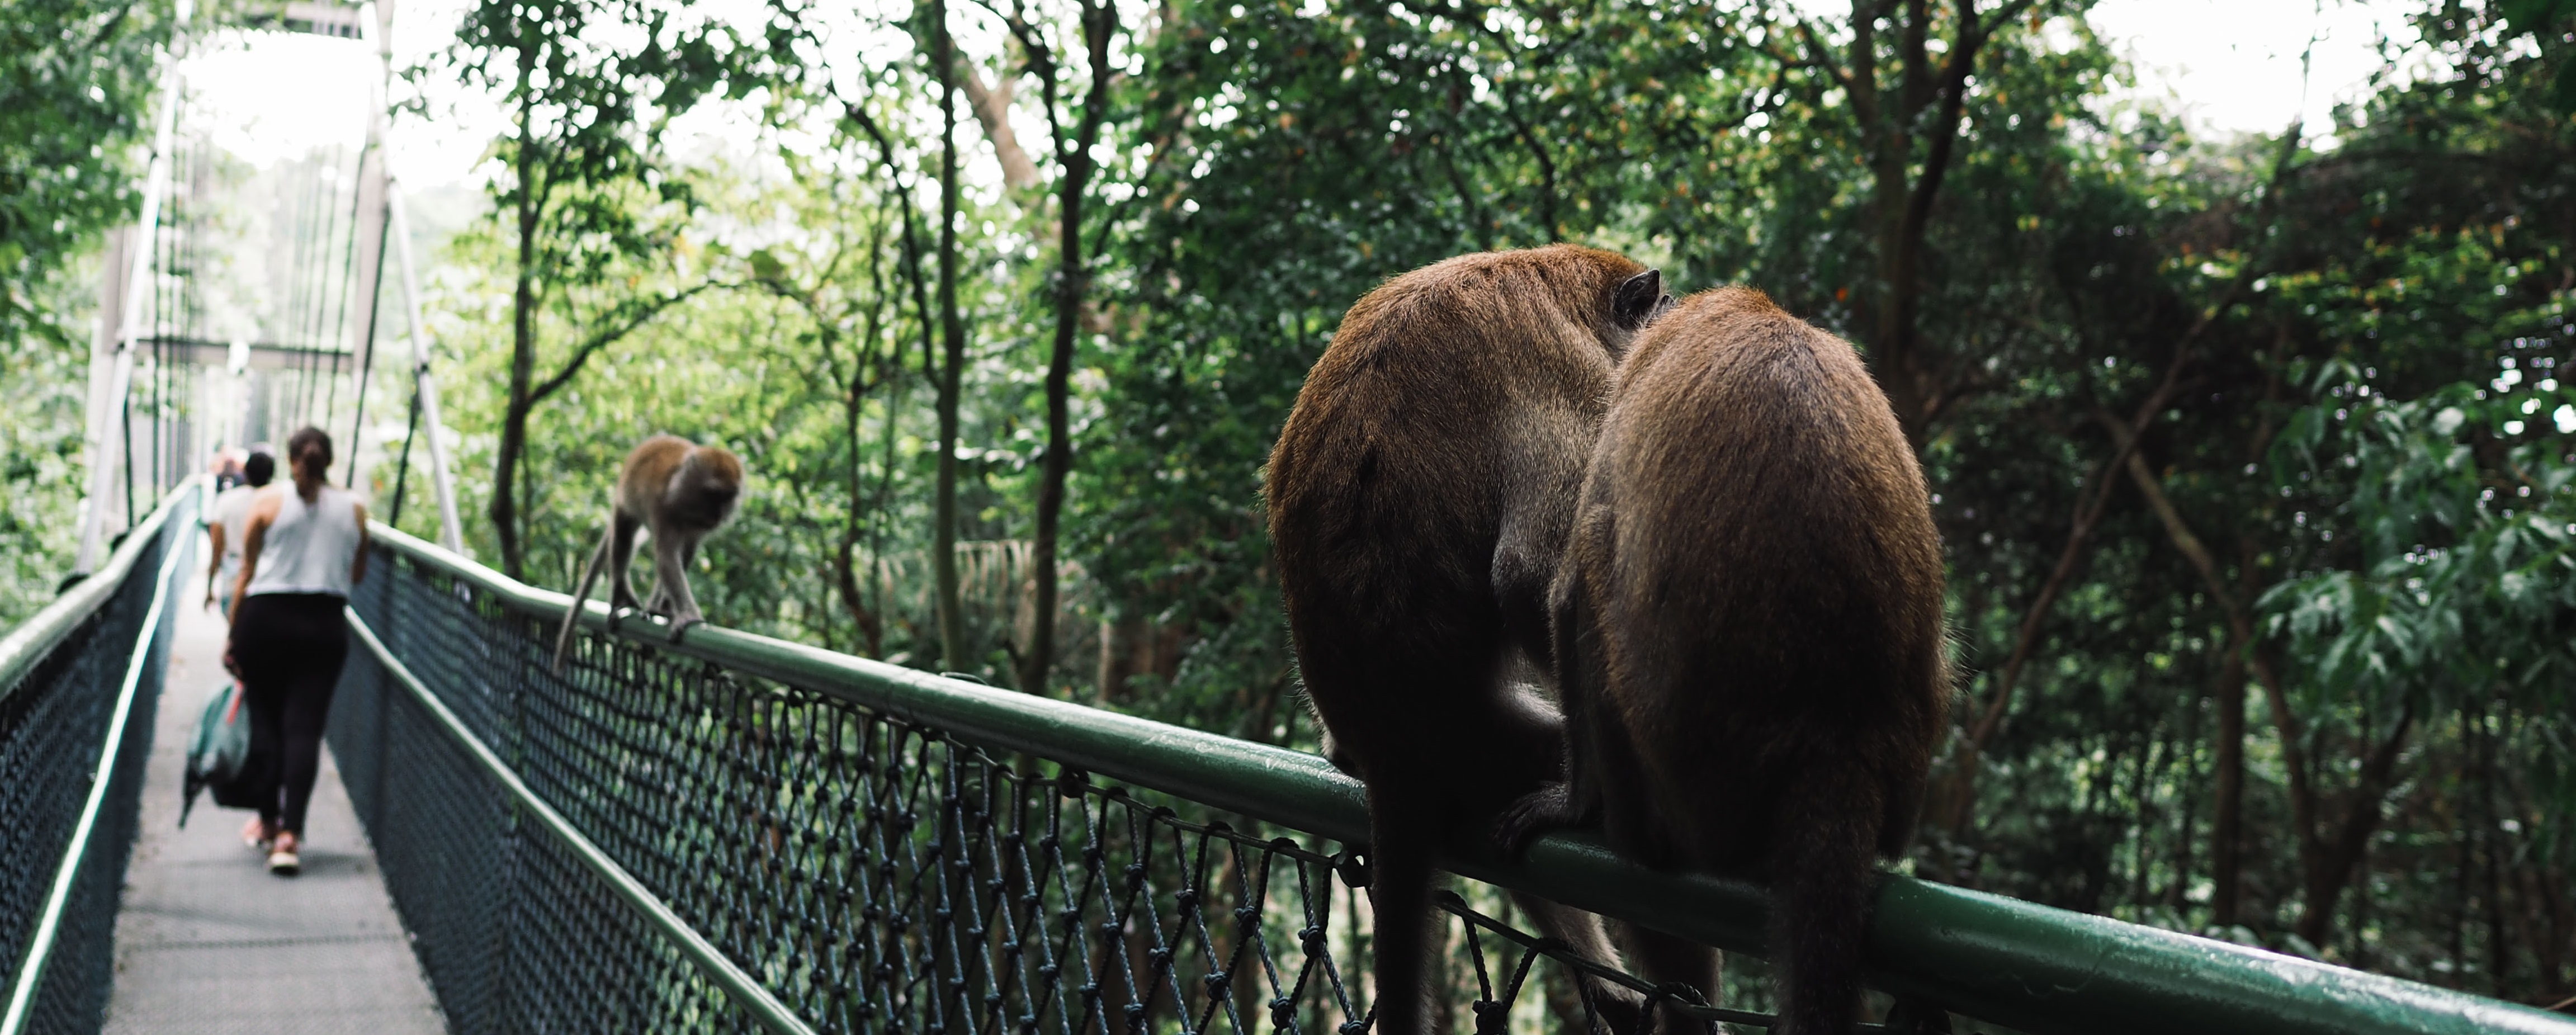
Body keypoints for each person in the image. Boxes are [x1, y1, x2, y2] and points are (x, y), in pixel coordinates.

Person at [225, 427, 368, 876]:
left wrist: (233, 634)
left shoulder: (265, 502)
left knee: (266, 721)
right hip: (324, 624)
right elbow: (357, 573)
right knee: (303, 729)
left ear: (291, 460)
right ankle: (290, 836)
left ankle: (266, 821)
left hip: (265, 621)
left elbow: (246, 572)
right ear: (330, 459)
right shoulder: (356, 509)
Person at [204, 449, 276, 618]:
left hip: (233, 575)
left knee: (236, 631)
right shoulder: (277, 503)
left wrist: (210, 587)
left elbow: (217, 548)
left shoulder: (226, 501)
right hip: (267, 580)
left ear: (245, 473)